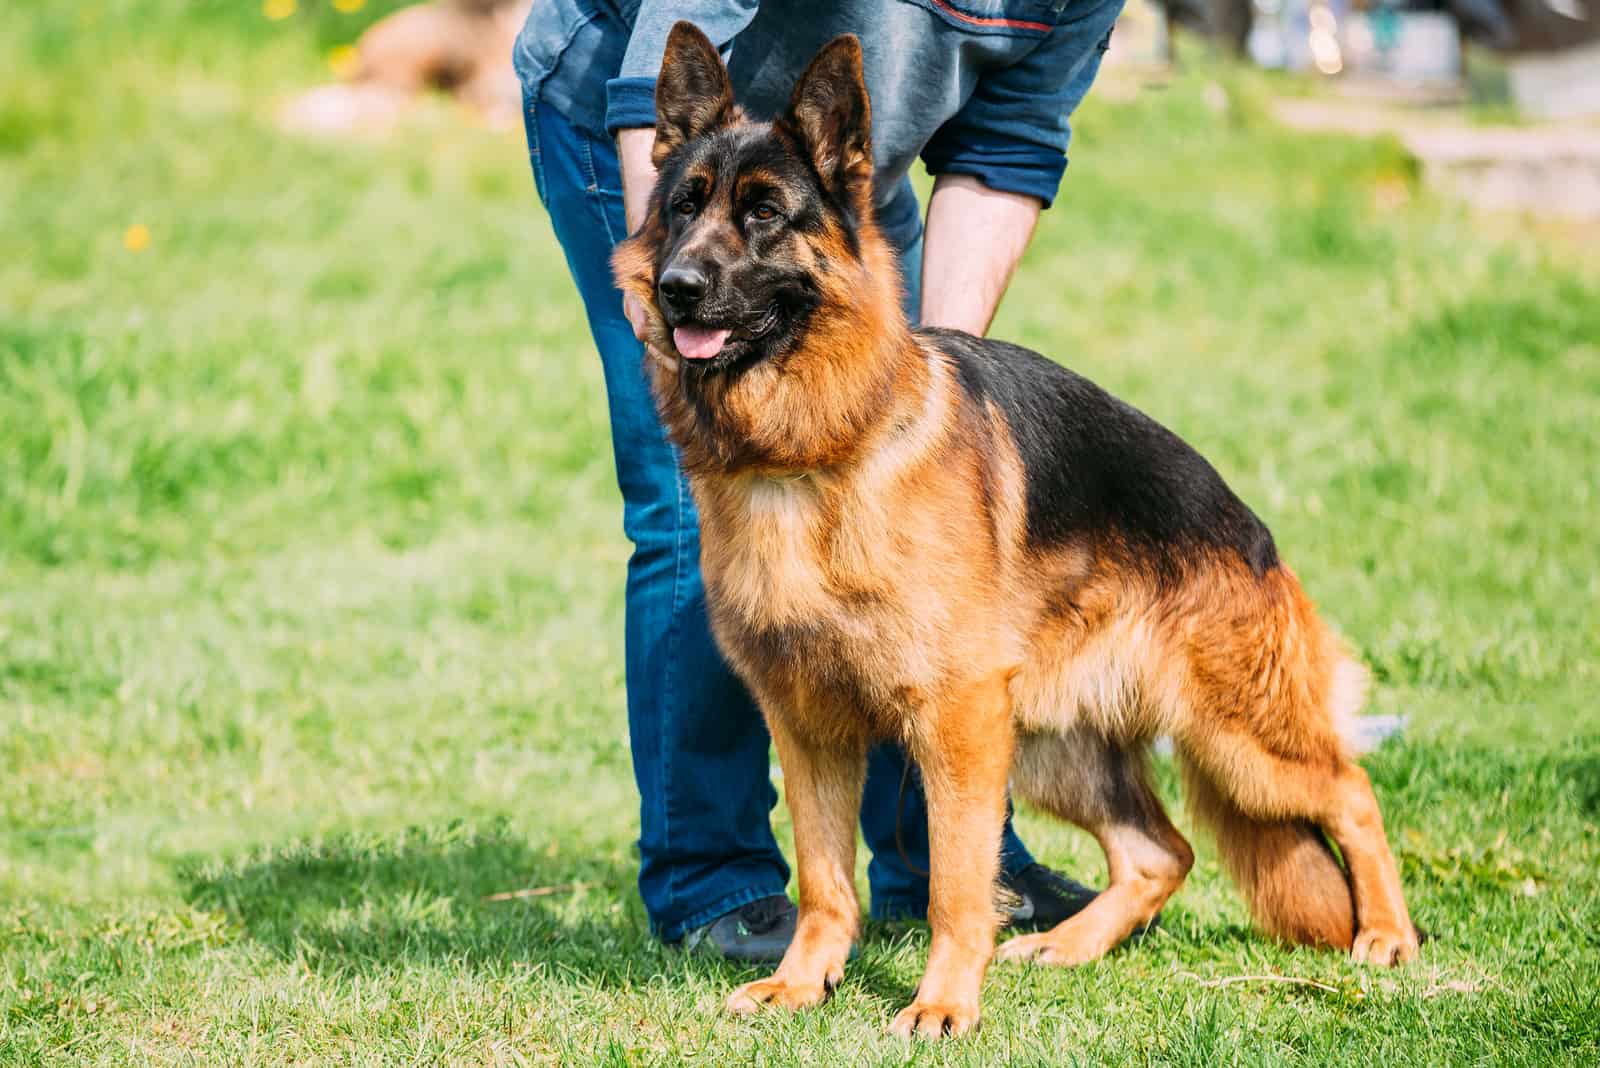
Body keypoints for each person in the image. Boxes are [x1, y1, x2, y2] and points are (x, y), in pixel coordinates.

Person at [513, 0, 1126, 961]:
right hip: (639, 121)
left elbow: (1005, 148)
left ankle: (942, 862)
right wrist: (670, 275)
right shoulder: (668, 190)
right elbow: (663, 50)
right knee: (696, 499)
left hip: (830, 162)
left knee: (917, 508)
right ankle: (713, 880)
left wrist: (928, 376)